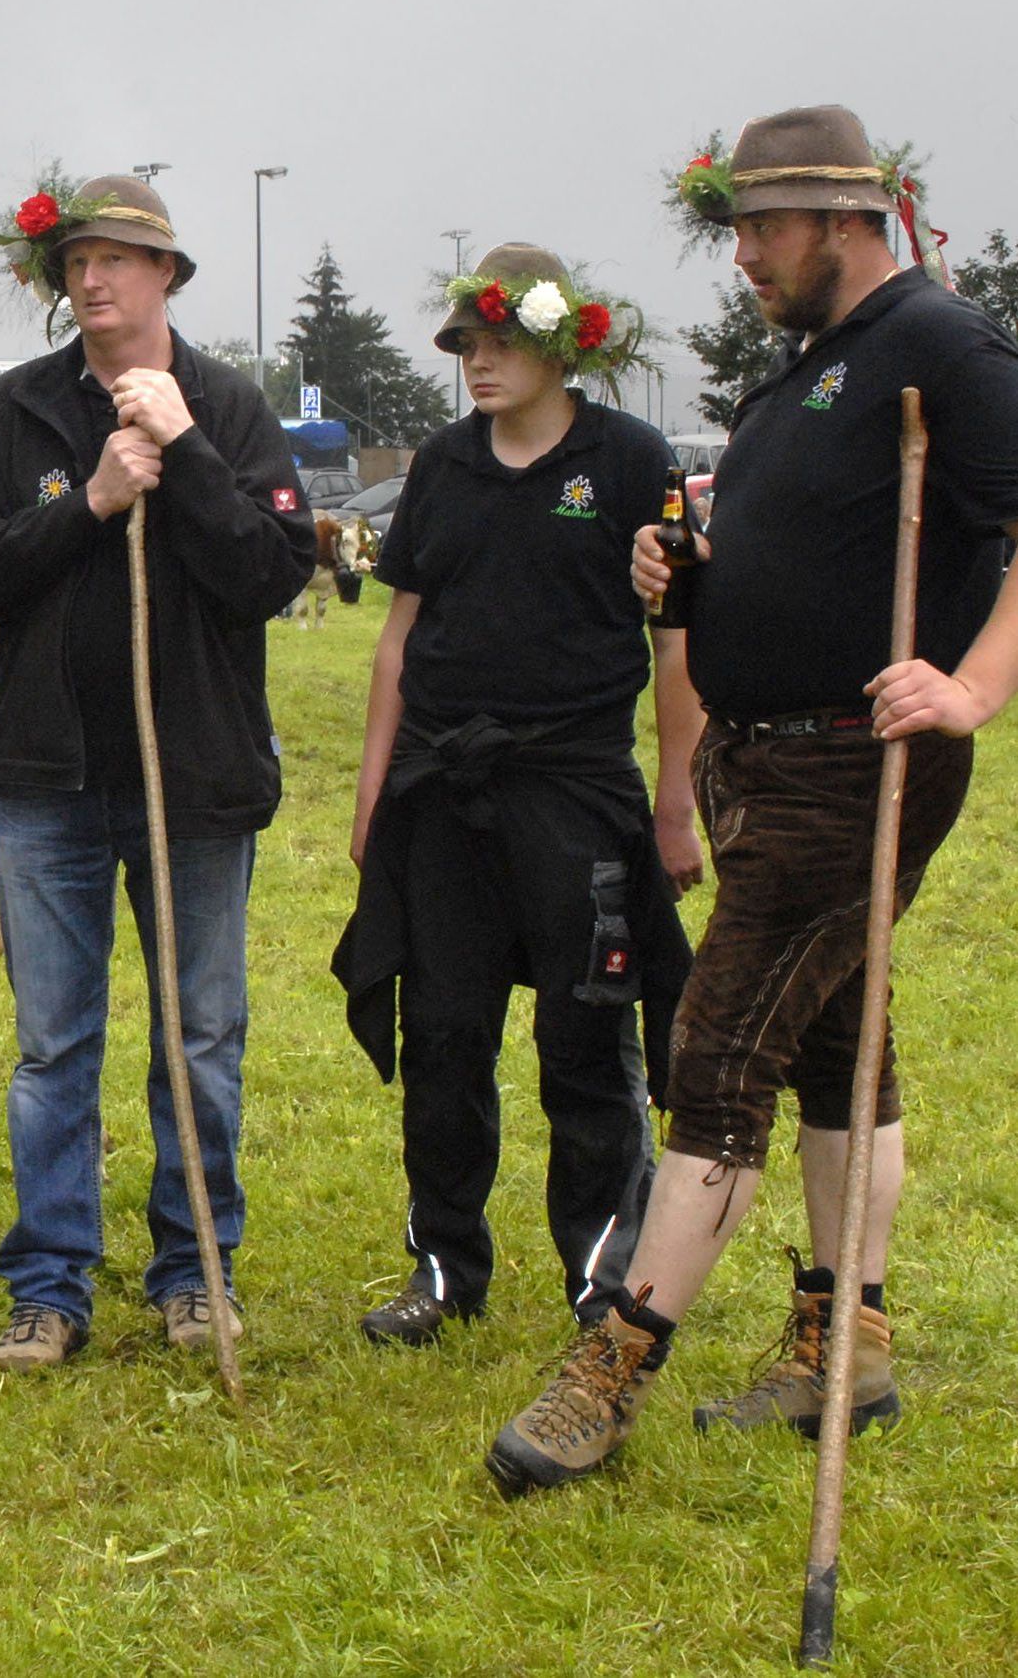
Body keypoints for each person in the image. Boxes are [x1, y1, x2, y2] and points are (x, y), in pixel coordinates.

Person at [488, 106, 1018, 1496]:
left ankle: (613, 1363)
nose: (739, 257)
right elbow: (809, 551)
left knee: (716, 1048)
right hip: (769, 755)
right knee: (845, 1044)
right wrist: (691, 571)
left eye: (761, 228)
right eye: (730, 228)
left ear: (850, 219)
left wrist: (968, 687)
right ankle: (844, 1343)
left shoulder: (936, 344)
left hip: (862, 759)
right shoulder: (808, 370)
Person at [0, 174, 316, 1371]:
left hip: (192, 782)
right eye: (76, 263)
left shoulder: (230, 408)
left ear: (165, 277)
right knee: (55, 1043)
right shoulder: (18, 414)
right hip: (49, 778)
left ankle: (194, 1268)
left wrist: (188, 452)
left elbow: (269, 570)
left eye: (118, 259)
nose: (92, 280)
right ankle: (49, 1284)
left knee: (199, 1034)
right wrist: (94, 499)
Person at [333, 246, 701, 1348]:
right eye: (464, 347)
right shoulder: (441, 466)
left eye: (496, 343)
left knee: (586, 1038)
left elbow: (675, 636)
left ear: (559, 346)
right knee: (443, 1034)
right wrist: (372, 794)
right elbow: (398, 637)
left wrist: (673, 799)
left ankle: (601, 1280)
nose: (477, 364)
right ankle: (442, 1270)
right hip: (442, 792)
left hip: (575, 785)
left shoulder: (632, 459)